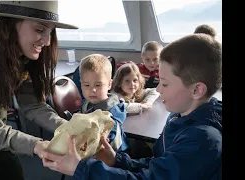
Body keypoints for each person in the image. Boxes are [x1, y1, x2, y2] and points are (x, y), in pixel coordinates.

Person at [42, 34, 222, 180]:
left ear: (197, 89)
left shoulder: (204, 141)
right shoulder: (180, 116)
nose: (158, 89)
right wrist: (117, 161)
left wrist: (81, 169)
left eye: (165, 84)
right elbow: (157, 166)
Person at [0, 1, 78, 180]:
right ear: (10, 25)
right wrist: (38, 145)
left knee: (12, 171)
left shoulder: (22, 54)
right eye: (40, 30)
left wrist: (70, 128)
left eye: (51, 31)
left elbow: (33, 105)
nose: (48, 41)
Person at [77, 54, 128, 152]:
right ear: (81, 85)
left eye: (98, 85)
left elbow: (112, 144)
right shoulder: (87, 103)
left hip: (113, 155)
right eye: (87, 85)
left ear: (109, 84)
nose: (93, 90)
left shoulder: (111, 114)